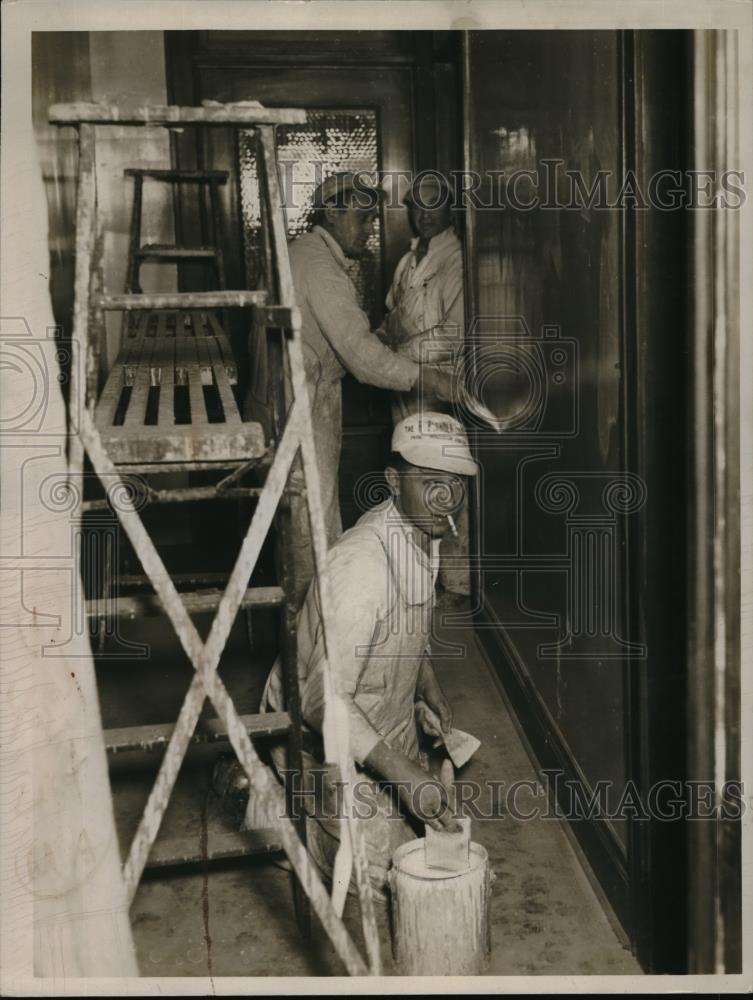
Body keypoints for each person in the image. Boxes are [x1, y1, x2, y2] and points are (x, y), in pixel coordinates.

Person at [259, 412, 478, 900]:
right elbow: (322, 702)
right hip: (320, 730)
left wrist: (428, 684)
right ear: (393, 483)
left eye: (457, 483)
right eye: (431, 482)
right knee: (388, 880)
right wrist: (401, 772)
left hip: (379, 715)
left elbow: (407, 619)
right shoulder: (361, 568)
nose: (448, 498)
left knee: (437, 850)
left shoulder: (425, 532)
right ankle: (260, 800)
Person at [245, 171, 456, 607]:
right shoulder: (320, 267)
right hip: (299, 406)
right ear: (333, 214)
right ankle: (323, 638)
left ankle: (316, 629)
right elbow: (358, 354)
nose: (369, 228)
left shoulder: (307, 255)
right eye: (361, 219)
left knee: (305, 522)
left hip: (293, 397)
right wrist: (428, 377)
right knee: (312, 529)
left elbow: (348, 338)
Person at [380, 172, 471, 601]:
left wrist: (401, 355)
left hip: (439, 386)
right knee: (408, 479)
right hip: (403, 385)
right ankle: (415, 576)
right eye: (418, 205)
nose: (426, 213)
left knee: (443, 480)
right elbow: (392, 315)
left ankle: (455, 580)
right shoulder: (408, 259)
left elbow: (456, 333)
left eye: (434, 203)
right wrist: (379, 341)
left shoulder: (458, 260)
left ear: (450, 207)